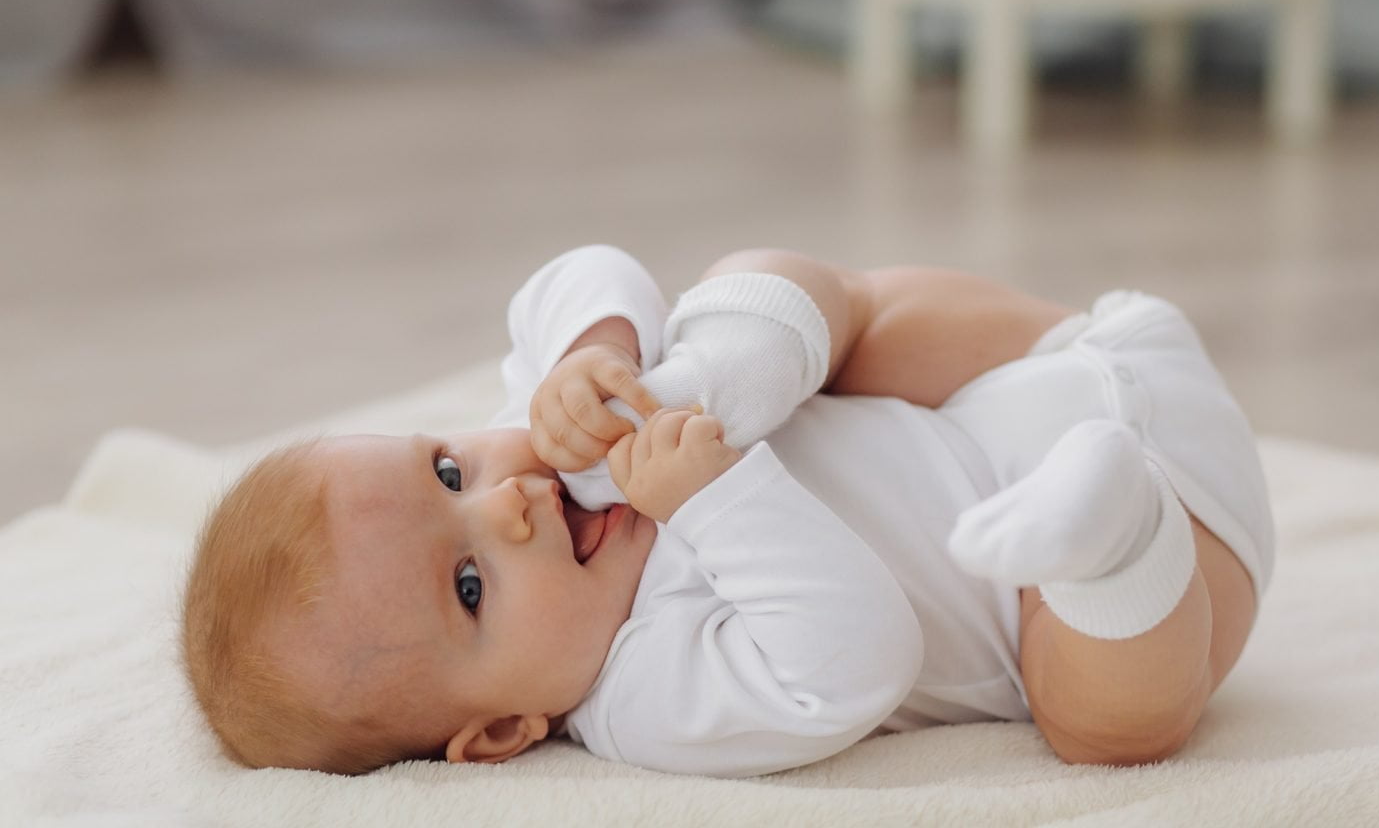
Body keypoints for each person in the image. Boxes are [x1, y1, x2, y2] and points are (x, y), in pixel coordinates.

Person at [181, 245, 1272, 777]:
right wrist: (714, 496)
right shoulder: (643, 694)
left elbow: (583, 270)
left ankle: (752, 353)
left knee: (830, 308)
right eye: (469, 587)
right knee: (1102, 723)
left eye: (445, 473)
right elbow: (856, 660)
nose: (510, 502)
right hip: (1158, 565)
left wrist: (598, 351)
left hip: (1035, 369)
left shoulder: (554, 425)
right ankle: (1109, 529)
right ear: (507, 729)